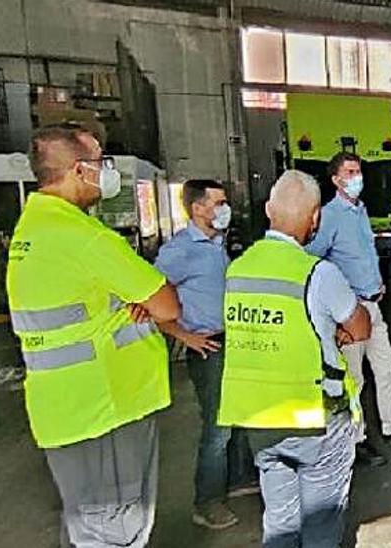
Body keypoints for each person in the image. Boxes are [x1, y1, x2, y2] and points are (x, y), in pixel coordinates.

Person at [6, 125, 181, 547]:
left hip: (62, 408)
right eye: (101, 162)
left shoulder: (32, 229)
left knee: (85, 527)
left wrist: (124, 304)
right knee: (114, 530)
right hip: (106, 404)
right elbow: (167, 305)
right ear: (77, 170)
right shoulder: (85, 238)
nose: (107, 171)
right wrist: (131, 305)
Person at [218, 170, 372, 548]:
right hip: (313, 417)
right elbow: (360, 325)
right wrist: (331, 330)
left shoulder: (238, 269)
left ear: (269, 209)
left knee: (281, 522)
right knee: (321, 523)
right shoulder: (318, 273)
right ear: (316, 217)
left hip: (259, 417)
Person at [305, 152, 391, 468]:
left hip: (373, 303)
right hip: (350, 309)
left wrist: (378, 282)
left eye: (358, 171)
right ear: (335, 180)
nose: (357, 177)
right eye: (350, 172)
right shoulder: (330, 215)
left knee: (386, 368)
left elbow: (365, 252)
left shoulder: (360, 211)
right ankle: (356, 441)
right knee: (355, 379)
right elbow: (314, 260)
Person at [155, 179, 259, 530]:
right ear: (197, 207)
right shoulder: (180, 250)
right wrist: (183, 335)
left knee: (239, 414)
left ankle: (238, 477)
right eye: (218, 202)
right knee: (217, 428)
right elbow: (151, 301)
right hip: (208, 346)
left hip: (232, 340)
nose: (224, 208)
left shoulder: (216, 244)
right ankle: (207, 501)